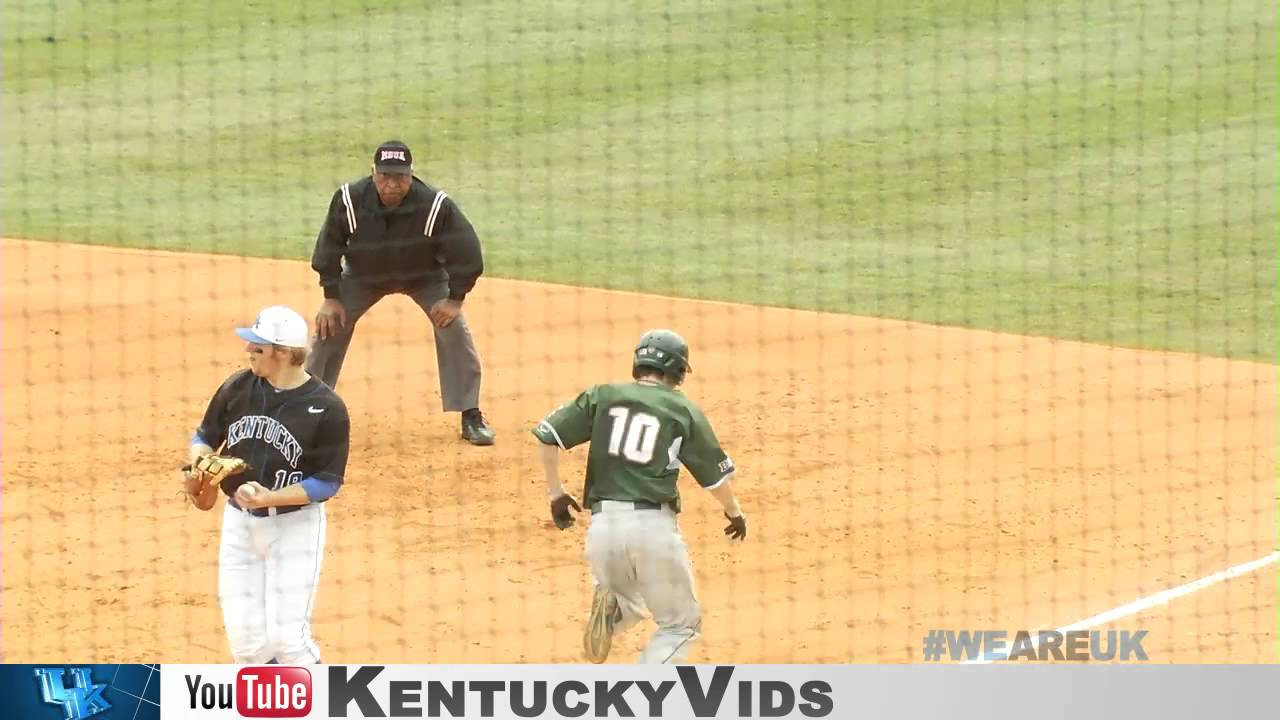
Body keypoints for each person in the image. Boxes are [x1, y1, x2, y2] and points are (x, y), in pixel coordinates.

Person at [531, 329, 748, 664]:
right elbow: (714, 478)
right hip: (652, 530)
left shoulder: (602, 395)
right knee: (681, 626)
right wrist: (735, 512)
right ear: (676, 370)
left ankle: (614, 610)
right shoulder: (681, 409)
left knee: (631, 605)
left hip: (602, 530)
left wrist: (556, 493)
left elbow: (548, 435)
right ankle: (645, 694)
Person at [182, 305, 351, 664]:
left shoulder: (327, 407)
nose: (249, 352)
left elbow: (326, 482)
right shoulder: (237, 387)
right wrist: (198, 462)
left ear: (284, 353)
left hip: (295, 528)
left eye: (258, 348)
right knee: (247, 646)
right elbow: (204, 436)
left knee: (288, 641)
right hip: (239, 526)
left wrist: (269, 497)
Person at [306, 140, 495, 446]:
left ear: (411, 175)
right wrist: (331, 296)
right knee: (328, 328)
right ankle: (307, 410)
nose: (392, 184)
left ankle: (470, 414)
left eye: (400, 177)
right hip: (363, 277)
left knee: (454, 330)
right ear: (372, 173)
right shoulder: (349, 199)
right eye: (384, 176)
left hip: (425, 278)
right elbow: (328, 247)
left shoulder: (435, 205)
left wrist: (455, 299)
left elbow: (468, 253)